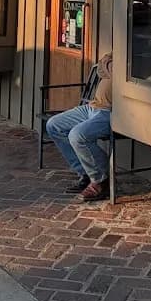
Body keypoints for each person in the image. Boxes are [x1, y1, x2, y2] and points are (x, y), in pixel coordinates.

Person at [46, 52, 112, 200]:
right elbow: (101, 67)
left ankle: (100, 179)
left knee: (77, 135)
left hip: (110, 113)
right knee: (53, 124)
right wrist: (109, 66)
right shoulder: (118, 53)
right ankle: (85, 172)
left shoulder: (137, 57)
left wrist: (109, 67)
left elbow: (115, 71)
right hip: (91, 107)